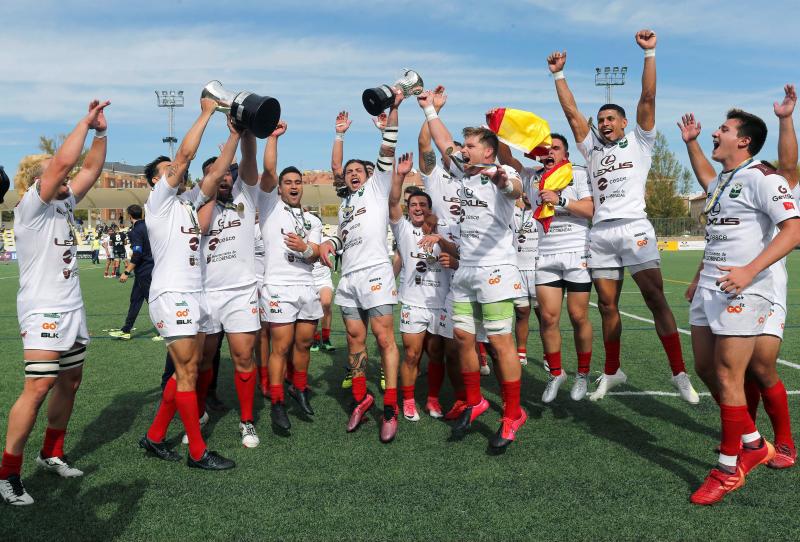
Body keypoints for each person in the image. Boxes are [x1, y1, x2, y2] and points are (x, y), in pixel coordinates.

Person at [547, 29, 699, 403]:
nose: (605, 123)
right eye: (601, 119)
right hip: (601, 235)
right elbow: (570, 113)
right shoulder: (591, 150)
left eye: (611, 118)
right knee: (608, 306)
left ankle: (679, 373)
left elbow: (648, 96)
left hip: (634, 229)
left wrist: (650, 53)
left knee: (655, 298)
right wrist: (558, 75)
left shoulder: (640, 140)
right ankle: (612, 370)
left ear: (624, 122)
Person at [677, 104, 800, 505]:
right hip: (711, 286)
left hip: (746, 288)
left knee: (739, 372)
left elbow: (793, 230)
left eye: (723, 129)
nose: (717, 132)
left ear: (743, 140)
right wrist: (692, 144)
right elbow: (716, 224)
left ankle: (729, 468)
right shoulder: (723, 181)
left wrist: (748, 271)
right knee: (705, 367)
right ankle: (753, 440)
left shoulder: (764, 177)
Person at [0, 99, 109, 506]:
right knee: (39, 386)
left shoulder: (63, 202)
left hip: (72, 308)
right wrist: (81, 123)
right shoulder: (31, 206)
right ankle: (8, 474)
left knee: (70, 381)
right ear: (37, 178)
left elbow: (91, 170)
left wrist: (100, 132)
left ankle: (51, 452)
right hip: (43, 309)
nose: (63, 174)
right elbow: (65, 166)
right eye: (53, 170)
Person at [418, 90, 527, 449]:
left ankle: (512, 415)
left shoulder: (502, 171)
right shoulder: (463, 173)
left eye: (470, 146)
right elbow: (444, 141)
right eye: (464, 145)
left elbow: (513, 187)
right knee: (463, 338)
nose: (463, 150)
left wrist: (497, 176)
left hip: (496, 270)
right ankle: (476, 400)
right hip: (466, 270)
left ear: (488, 150)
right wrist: (430, 108)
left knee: (499, 343)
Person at [137, 98, 237, 471]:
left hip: (194, 295)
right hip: (172, 294)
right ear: (155, 182)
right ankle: (197, 452)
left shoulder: (188, 203)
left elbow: (215, 175)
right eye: (167, 172)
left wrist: (235, 135)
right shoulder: (159, 201)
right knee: (188, 373)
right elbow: (183, 158)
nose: (177, 174)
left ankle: (154, 436)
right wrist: (208, 111)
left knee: (187, 368)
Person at [319, 90, 403, 442]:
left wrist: (393, 110)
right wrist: (329, 244)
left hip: (375, 275)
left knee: (384, 339)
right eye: (349, 172)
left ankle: (390, 407)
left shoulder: (378, 187)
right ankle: (360, 399)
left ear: (369, 174)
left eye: (358, 170)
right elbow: (343, 238)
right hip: (349, 278)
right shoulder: (347, 205)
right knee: (355, 341)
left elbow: (387, 149)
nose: (352, 174)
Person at [259, 121, 323, 430]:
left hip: (306, 286)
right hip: (279, 288)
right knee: (280, 347)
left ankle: (298, 388)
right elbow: (268, 170)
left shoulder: (312, 219)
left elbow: (317, 254)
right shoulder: (270, 206)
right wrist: (272, 138)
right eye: (288, 182)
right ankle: (277, 402)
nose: (293, 185)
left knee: (304, 343)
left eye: (298, 181)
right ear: (281, 187)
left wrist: (305, 247)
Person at [390, 153, 458, 422]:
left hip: (440, 303)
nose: (417, 207)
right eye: (413, 204)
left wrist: (448, 253)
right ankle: (408, 401)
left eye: (422, 204)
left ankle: (432, 400)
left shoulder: (445, 230)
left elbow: (461, 257)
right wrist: (401, 175)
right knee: (412, 353)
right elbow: (392, 202)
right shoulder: (403, 230)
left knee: (437, 354)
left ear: (430, 208)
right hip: (413, 303)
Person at [108, 205, 153, 340]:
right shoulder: (148, 226)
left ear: (129, 216)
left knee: (153, 301)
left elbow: (137, 254)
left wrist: (126, 272)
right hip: (149, 268)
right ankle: (126, 330)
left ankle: (166, 329)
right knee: (135, 300)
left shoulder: (135, 231)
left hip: (144, 270)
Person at [310, 215, 336, 353]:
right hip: (309, 280)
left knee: (326, 304)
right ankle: (314, 339)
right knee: (312, 309)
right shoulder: (306, 240)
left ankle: (325, 339)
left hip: (324, 280)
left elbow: (341, 249)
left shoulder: (327, 241)